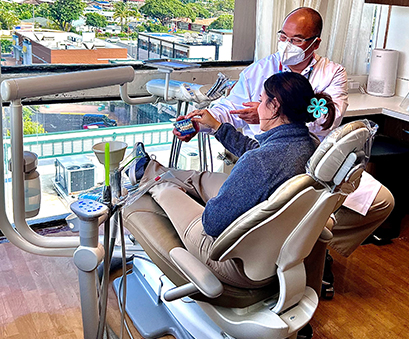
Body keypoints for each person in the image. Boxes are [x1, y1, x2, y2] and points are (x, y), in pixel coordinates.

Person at [174, 7, 394, 263]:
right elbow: (230, 108)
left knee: (382, 202)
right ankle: (297, 241)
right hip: (266, 155)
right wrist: (204, 122)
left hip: (311, 161)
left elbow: (329, 119)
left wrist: (269, 115)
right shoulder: (262, 69)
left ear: (315, 42)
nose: (287, 45)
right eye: (283, 37)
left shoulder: (332, 73)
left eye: (296, 40)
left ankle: (309, 243)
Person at [137, 72, 336, 287]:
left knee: (165, 189)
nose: (258, 107)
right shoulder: (308, 143)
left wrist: (213, 200)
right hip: (274, 247)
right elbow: (259, 151)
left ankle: (151, 178)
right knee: (199, 178)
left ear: (275, 106)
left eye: (261, 100)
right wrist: (217, 127)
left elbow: (212, 223)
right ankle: (149, 168)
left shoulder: (259, 163)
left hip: (235, 263)